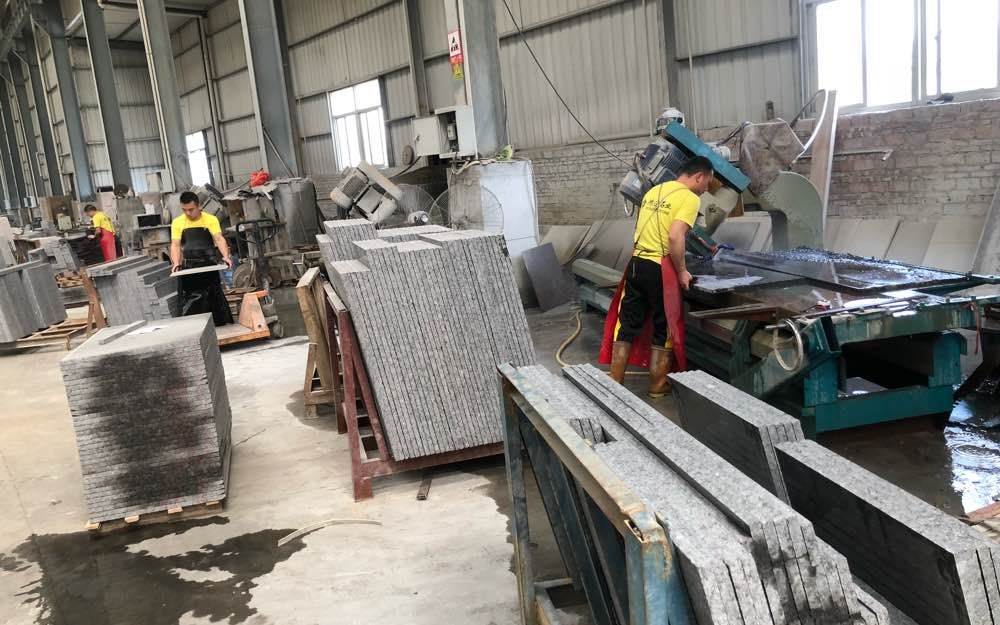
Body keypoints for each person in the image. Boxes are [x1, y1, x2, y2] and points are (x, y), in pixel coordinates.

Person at [601, 155, 715, 397]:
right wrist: (682, 271)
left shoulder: (653, 191)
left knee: (627, 322)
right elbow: (675, 236)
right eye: (708, 183)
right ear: (699, 176)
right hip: (659, 268)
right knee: (664, 325)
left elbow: (642, 229)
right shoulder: (689, 198)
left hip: (636, 263)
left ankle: (616, 378)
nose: (706, 189)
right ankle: (657, 385)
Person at [170, 191, 234, 326]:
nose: (188, 213)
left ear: (198, 206)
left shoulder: (211, 219)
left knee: (213, 294)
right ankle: (195, 326)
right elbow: (175, 244)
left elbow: (219, 238)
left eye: (191, 209)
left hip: (209, 263)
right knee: (192, 297)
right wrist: (175, 263)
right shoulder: (177, 222)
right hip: (189, 266)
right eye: (184, 210)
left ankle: (218, 323)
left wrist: (226, 257)